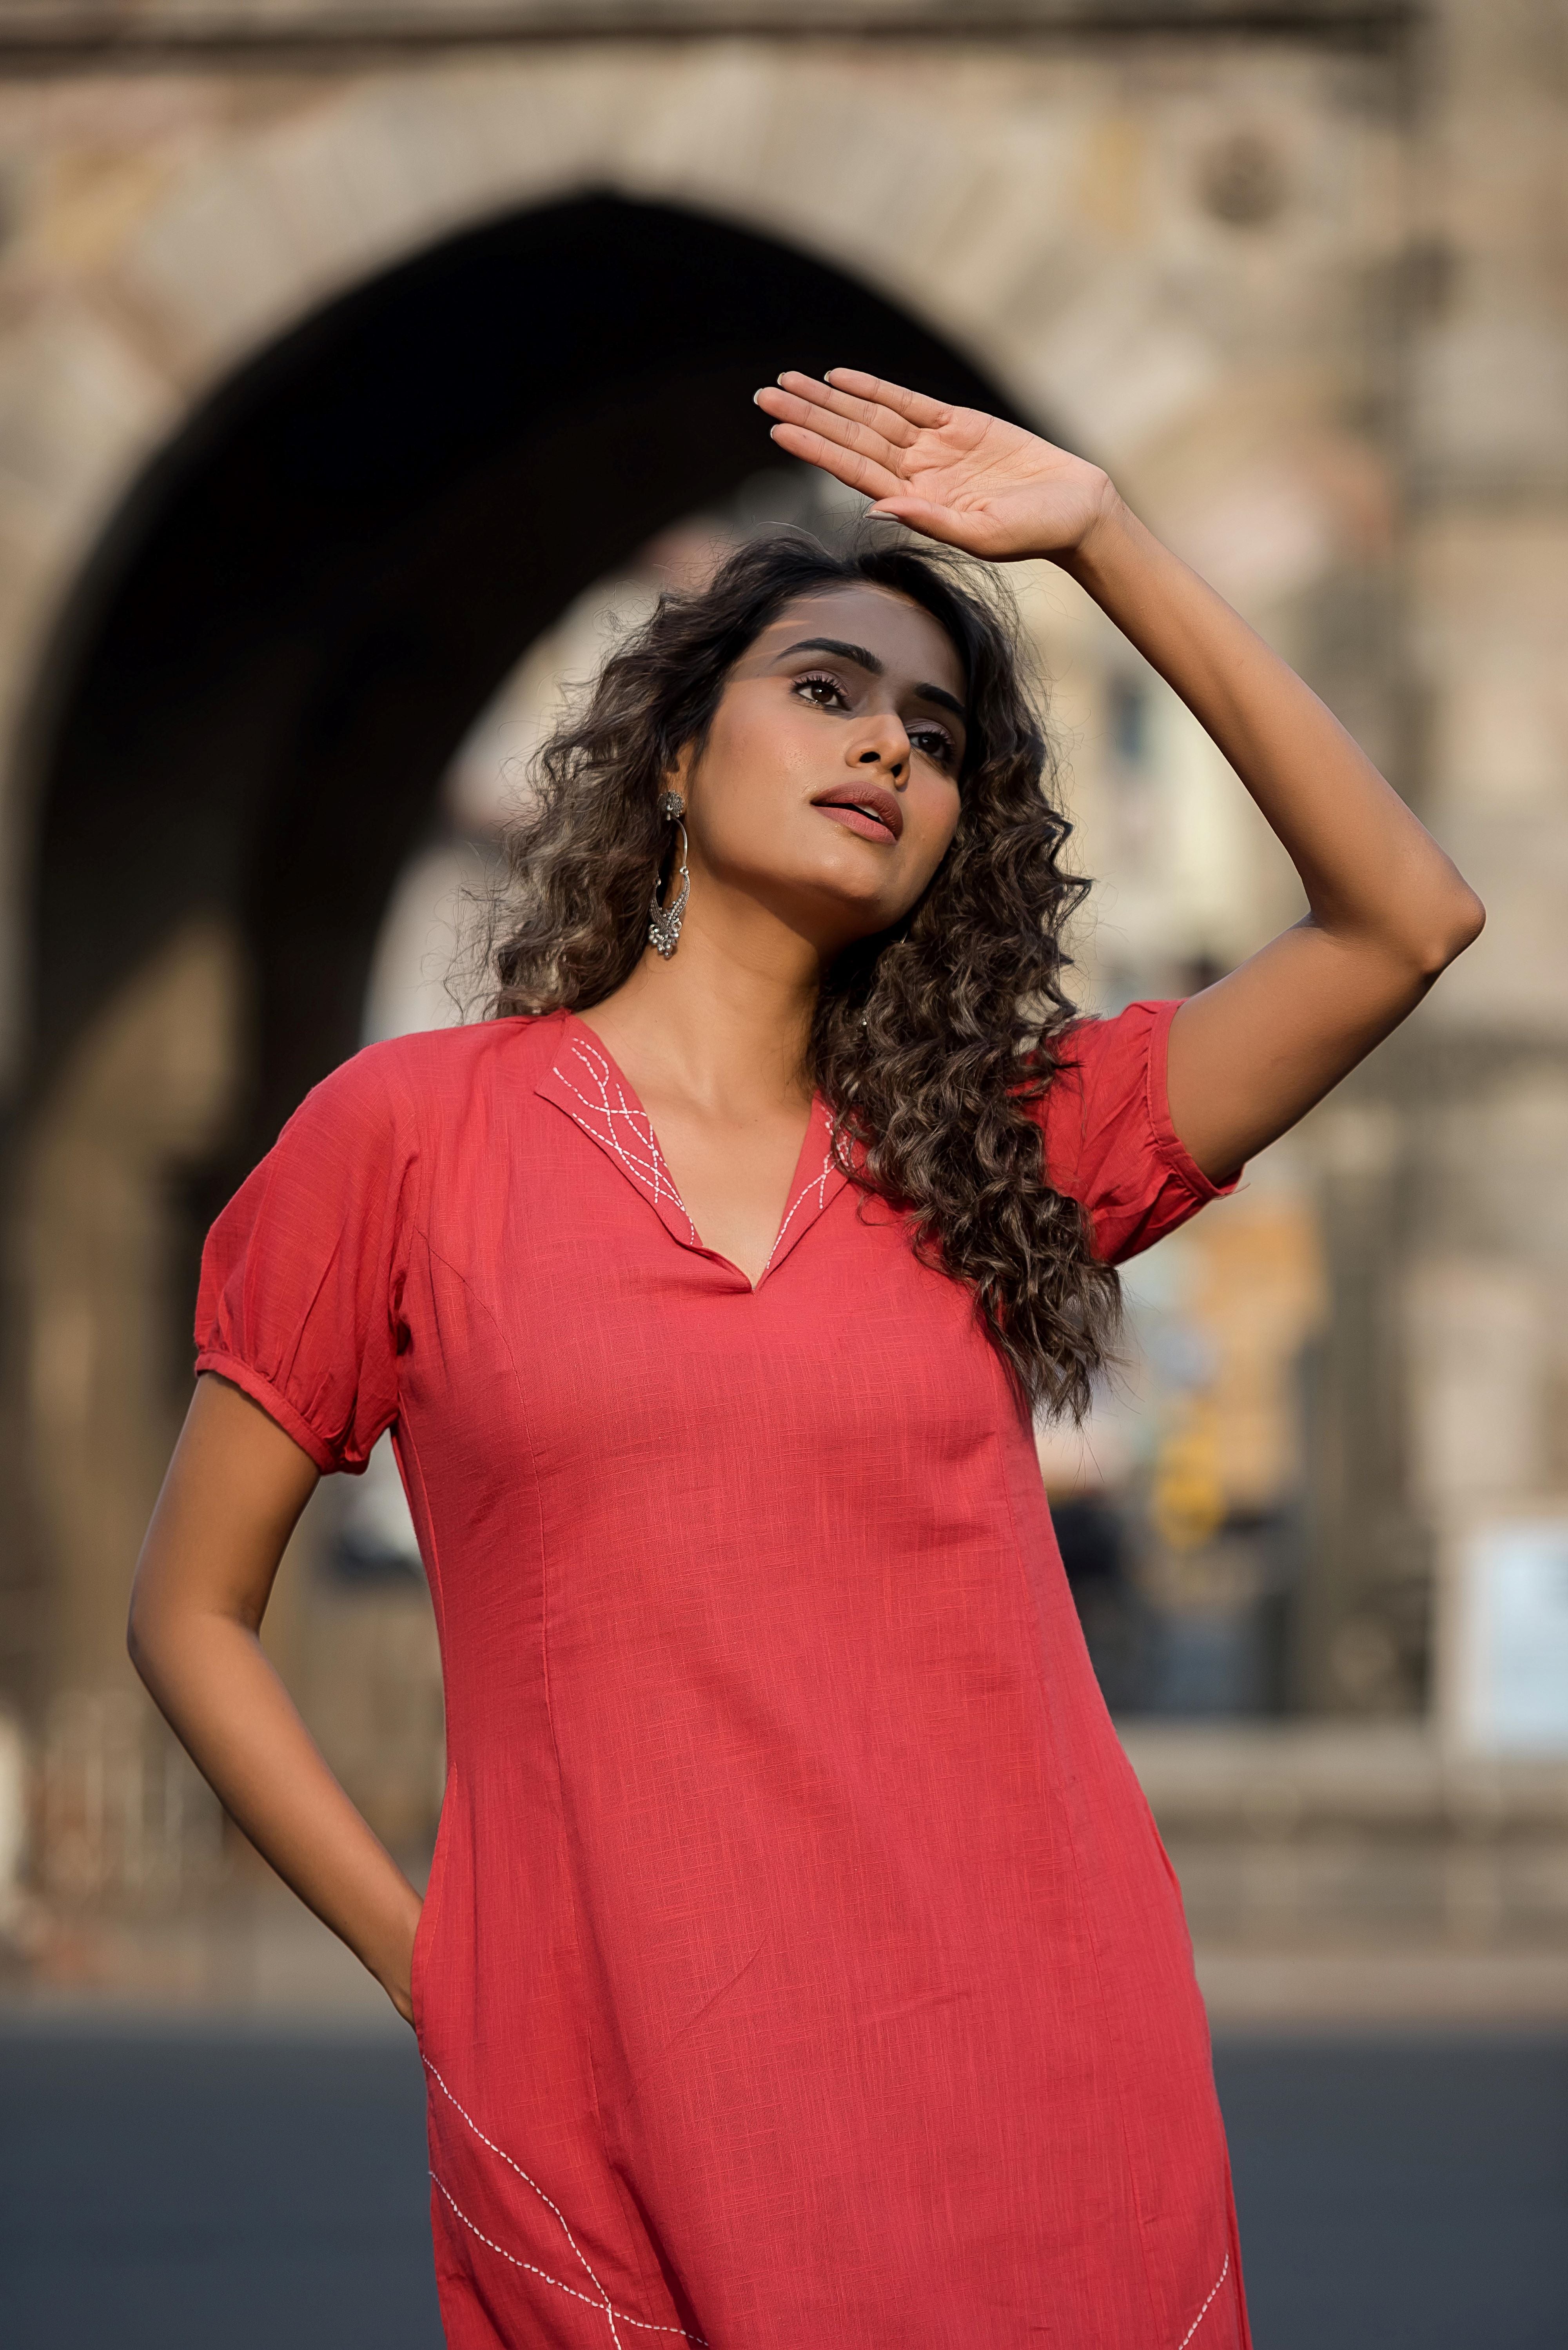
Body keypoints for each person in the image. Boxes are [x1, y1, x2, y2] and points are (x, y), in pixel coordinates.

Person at [128, 369, 1482, 2350]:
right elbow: (188, 1612)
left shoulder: (999, 1146)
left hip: (1035, 2062)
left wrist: (1103, 535)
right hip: (609, 2080)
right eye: (828, 690)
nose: (885, 749)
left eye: (935, 736)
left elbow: (1403, 918)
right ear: (671, 757)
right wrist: (440, 1964)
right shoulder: (407, 1135)